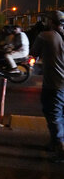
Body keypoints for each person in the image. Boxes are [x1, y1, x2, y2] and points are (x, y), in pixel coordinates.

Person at [30, 10, 64, 162]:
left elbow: (33, 54)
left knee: (53, 114)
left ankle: (61, 147)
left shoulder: (45, 36)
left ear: (50, 21)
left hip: (55, 84)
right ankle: (53, 143)